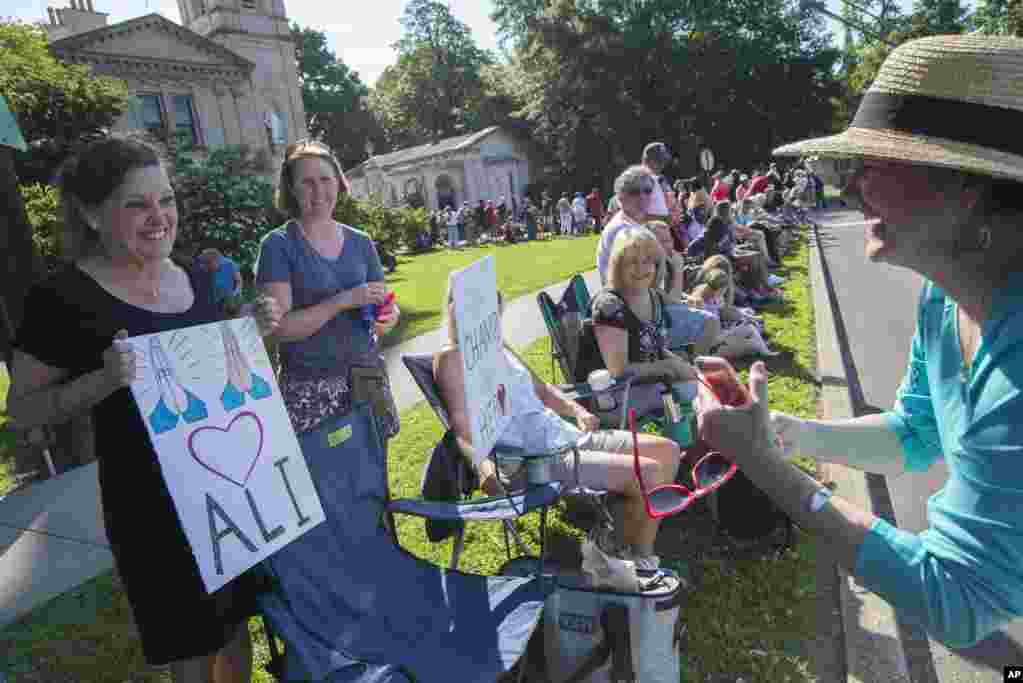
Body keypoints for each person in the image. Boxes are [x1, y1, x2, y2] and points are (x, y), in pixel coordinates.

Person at [701, 34, 1023, 648]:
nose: (853, 187)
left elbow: (958, 596)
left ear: (970, 189)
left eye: (877, 165)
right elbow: (915, 434)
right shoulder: (945, 296)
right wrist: (787, 434)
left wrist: (768, 470)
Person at [7, 138, 282, 682]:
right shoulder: (62, 298)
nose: (159, 217)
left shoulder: (194, 280)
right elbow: (23, 410)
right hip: (152, 513)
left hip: (230, 492)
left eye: (166, 200)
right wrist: (104, 379)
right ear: (90, 213)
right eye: (136, 204)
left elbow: (216, 380)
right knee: (190, 649)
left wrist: (251, 333)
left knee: (235, 632)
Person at [435, 288, 681, 571]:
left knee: (668, 451)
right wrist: (483, 467)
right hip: (531, 460)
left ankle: (634, 552)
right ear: (454, 310)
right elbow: (461, 424)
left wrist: (576, 410)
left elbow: (543, 390)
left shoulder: (500, 347)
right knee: (647, 472)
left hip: (562, 435)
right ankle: (623, 560)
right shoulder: (451, 358)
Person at [256, 139, 400, 438]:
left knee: (374, 479)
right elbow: (279, 328)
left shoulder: (361, 242)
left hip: (367, 379)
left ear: (338, 182)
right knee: (324, 481)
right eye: (307, 183)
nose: (319, 191)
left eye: (325, 179)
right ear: (291, 190)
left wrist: (388, 316)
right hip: (310, 388)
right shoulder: (278, 246)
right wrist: (342, 300)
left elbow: (381, 312)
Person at [592, 227, 697, 389]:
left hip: (656, 384)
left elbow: (655, 348)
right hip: (618, 398)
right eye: (631, 262)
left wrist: (679, 363)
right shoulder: (609, 306)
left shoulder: (653, 296)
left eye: (647, 260)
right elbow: (618, 372)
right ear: (618, 266)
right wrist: (669, 366)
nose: (640, 268)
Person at [647, 220, 721, 355]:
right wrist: (678, 269)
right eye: (662, 241)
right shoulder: (650, 268)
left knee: (705, 308)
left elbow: (669, 297)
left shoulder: (665, 263)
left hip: (666, 316)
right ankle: (697, 363)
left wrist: (688, 299)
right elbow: (669, 302)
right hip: (657, 325)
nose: (668, 245)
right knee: (711, 322)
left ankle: (692, 353)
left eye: (669, 240)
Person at [596, 166, 655, 285]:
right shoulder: (623, 230)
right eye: (634, 192)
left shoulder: (635, 224)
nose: (643, 197)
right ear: (620, 198)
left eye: (647, 191)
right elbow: (634, 283)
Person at [640, 142, 673, 221]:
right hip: (647, 231)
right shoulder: (642, 180)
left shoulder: (659, 180)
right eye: (659, 162)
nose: (663, 165)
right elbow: (636, 215)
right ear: (649, 161)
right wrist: (665, 218)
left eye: (664, 162)